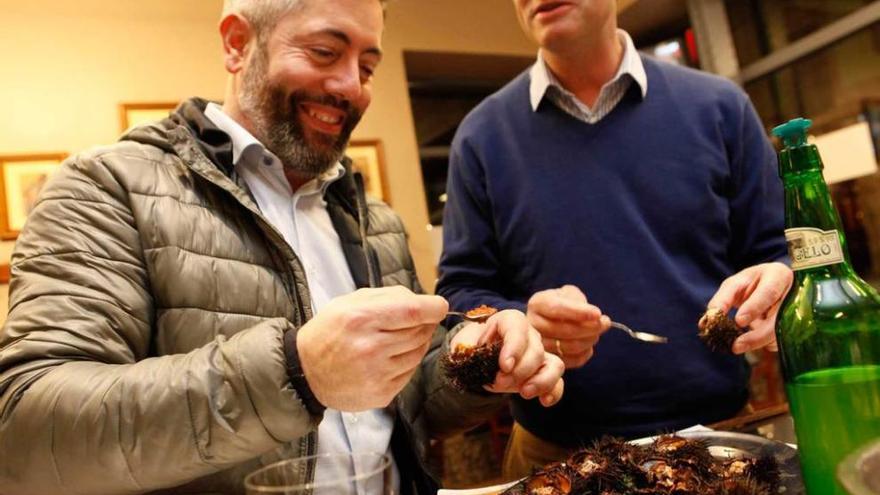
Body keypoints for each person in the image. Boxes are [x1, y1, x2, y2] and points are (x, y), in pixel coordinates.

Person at [0, 1, 566, 493]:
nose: (351, 86)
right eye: (325, 52)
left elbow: (410, 405)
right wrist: (297, 373)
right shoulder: (106, 189)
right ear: (237, 42)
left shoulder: (376, 222)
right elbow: (22, 429)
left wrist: (477, 365)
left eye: (367, 66)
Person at [436, 0, 793, 479]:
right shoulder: (481, 135)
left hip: (721, 441)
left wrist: (780, 282)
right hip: (555, 458)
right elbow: (460, 292)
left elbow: (779, 250)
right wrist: (519, 321)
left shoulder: (720, 107)